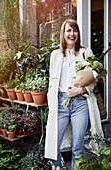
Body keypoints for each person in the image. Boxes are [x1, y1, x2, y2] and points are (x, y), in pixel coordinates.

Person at [44, 19, 104, 170]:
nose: (72, 34)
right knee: (53, 143)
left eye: (74, 31)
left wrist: (81, 90)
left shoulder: (85, 52)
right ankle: (59, 166)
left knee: (77, 146)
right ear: (63, 34)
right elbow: (52, 79)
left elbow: (93, 80)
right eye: (68, 31)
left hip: (80, 104)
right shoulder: (55, 55)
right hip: (61, 103)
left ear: (78, 34)